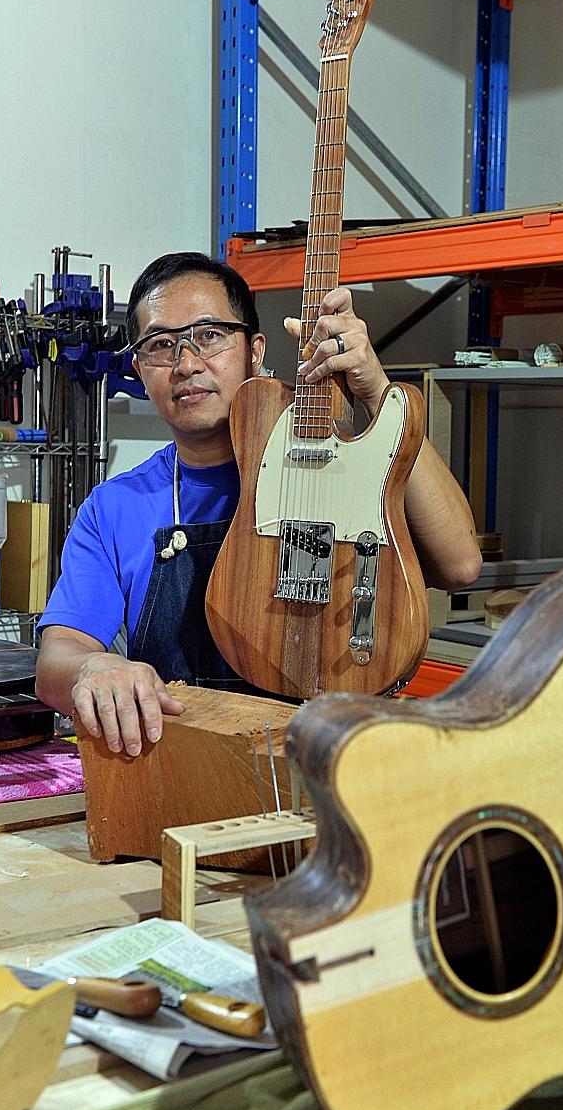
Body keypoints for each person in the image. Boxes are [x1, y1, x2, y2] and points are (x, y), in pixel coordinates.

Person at [35, 252, 482, 756]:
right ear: (139, 370)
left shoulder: (344, 467)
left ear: (254, 350)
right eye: (162, 345)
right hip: (189, 771)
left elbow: (461, 566)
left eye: (209, 335)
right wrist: (93, 668)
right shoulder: (114, 507)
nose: (186, 363)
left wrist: (376, 389)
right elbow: (56, 661)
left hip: (340, 763)